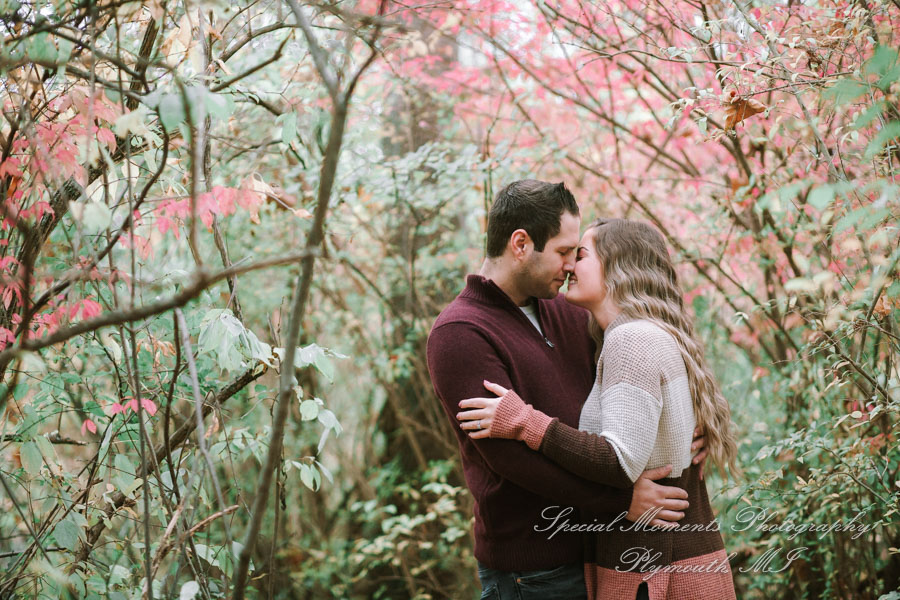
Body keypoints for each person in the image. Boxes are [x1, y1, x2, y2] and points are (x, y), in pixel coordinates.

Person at [426, 182, 708, 600]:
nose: (571, 265)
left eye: (577, 254)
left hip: (603, 551)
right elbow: (510, 460)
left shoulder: (566, 308)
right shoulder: (461, 333)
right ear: (520, 244)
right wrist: (620, 501)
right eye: (563, 252)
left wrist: (682, 426)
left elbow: (635, 383)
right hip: (535, 568)